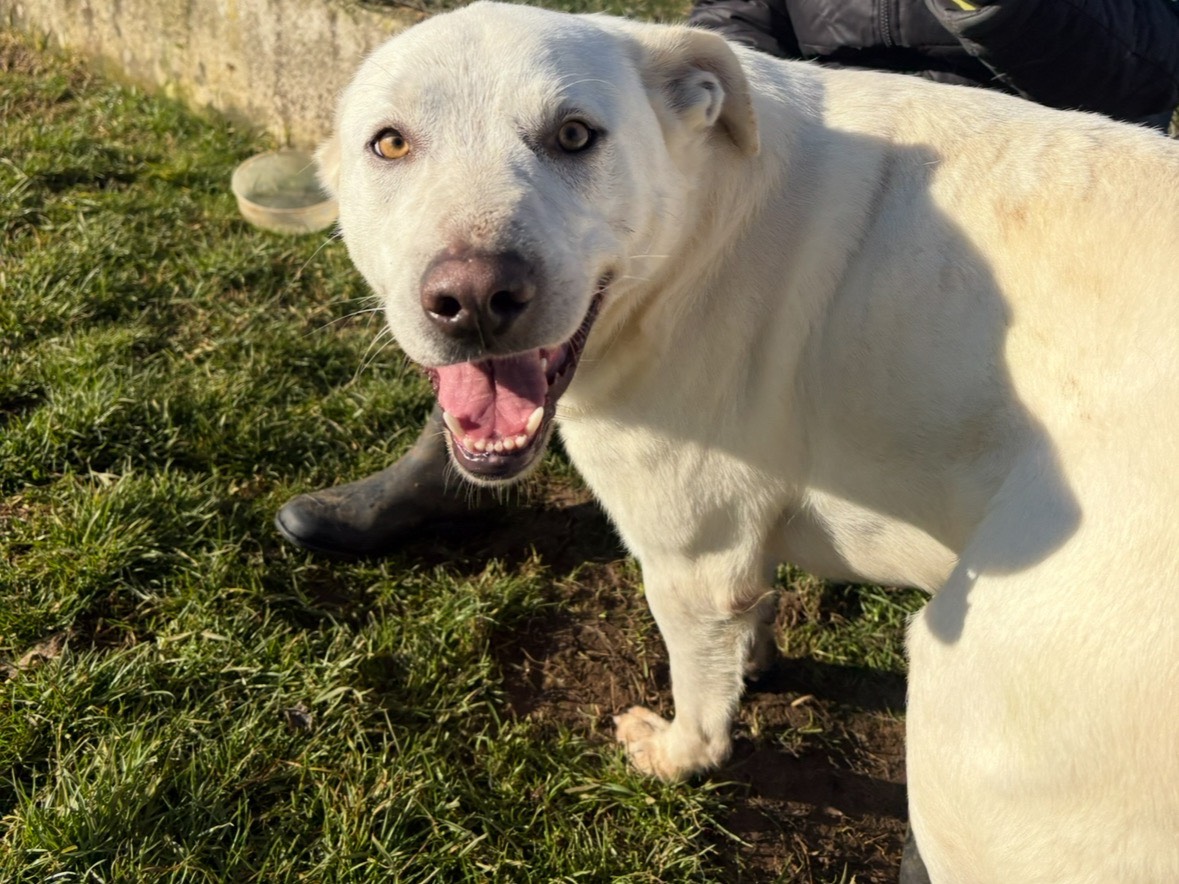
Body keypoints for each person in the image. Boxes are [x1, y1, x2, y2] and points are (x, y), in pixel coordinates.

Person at [275, 0, 1179, 559]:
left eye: (569, 137)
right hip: (808, 148)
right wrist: (675, 85)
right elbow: (733, 27)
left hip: (1018, 199)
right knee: (554, 295)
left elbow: (1144, 61)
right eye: (391, 145)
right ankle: (452, 458)